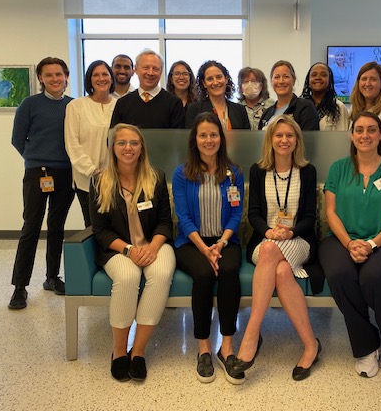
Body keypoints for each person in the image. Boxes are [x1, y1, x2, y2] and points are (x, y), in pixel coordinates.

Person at [319, 111, 381, 378]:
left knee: (375, 276)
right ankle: (366, 346)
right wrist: (349, 243)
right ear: (351, 135)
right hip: (341, 239)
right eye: (359, 130)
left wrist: (370, 244)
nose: (365, 135)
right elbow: (331, 213)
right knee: (340, 274)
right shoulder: (338, 168)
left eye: (372, 130)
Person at [232, 115, 322, 382]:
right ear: (270, 139)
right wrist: (269, 232)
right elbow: (254, 214)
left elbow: (309, 217)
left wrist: (290, 232)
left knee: (274, 253)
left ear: (297, 140)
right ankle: (311, 345)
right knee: (281, 270)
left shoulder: (307, 170)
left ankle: (250, 335)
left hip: (299, 240)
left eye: (290, 136)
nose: (284, 140)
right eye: (279, 135)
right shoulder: (258, 170)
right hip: (266, 240)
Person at [89, 123, 176, 382]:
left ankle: (137, 352)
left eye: (134, 143)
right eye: (122, 143)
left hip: (154, 244)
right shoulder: (99, 180)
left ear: (142, 148)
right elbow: (100, 230)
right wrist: (128, 250)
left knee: (160, 274)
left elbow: (164, 222)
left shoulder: (156, 177)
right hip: (117, 248)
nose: (128, 148)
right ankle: (118, 352)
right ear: (113, 148)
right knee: (127, 278)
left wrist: (152, 247)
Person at [172, 112, 245, 384]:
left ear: (221, 139)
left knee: (228, 271)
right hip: (192, 242)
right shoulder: (182, 173)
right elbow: (183, 217)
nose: (208, 139)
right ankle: (203, 348)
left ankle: (226, 348)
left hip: (226, 240)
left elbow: (237, 216)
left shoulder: (233, 172)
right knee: (203, 274)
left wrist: (221, 243)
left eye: (213, 134)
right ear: (195, 139)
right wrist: (205, 248)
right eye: (203, 135)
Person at [9, 57, 76, 310]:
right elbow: (17, 139)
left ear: (66, 76)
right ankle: (19, 287)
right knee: (31, 227)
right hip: (37, 173)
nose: (55, 79)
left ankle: (51, 278)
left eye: (59, 74)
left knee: (57, 226)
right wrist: (36, 158)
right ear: (41, 79)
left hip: (65, 173)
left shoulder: (73, 106)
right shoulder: (29, 104)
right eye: (49, 75)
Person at [65, 60, 117, 227]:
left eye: (105, 74)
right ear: (89, 79)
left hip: (116, 178)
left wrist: (112, 171)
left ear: (111, 78)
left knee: (116, 226)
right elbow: (72, 143)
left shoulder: (120, 104)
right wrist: (93, 171)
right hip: (87, 179)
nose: (101, 78)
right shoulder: (76, 106)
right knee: (93, 226)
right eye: (96, 75)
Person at [110, 49, 185, 129]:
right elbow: (113, 136)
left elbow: (178, 139)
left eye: (155, 69)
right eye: (146, 68)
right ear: (136, 70)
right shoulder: (122, 103)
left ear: (161, 72)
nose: (150, 73)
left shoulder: (174, 103)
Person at [185, 61, 249, 130]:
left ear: (226, 79)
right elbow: (191, 138)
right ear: (204, 83)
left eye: (219, 77)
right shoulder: (194, 109)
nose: (215, 82)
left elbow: (246, 139)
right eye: (210, 79)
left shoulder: (240, 110)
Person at [258, 60, 320, 131]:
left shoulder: (305, 108)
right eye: (277, 77)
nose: (281, 81)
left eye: (286, 77)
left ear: (293, 80)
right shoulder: (267, 113)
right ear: (271, 81)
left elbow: (309, 140)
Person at [301, 62, 350, 131]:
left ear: (330, 81)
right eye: (314, 75)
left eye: (323, 75)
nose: (318, 77)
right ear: (308, 80)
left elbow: (342, 138)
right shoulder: (301, 106)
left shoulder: (339, 107)